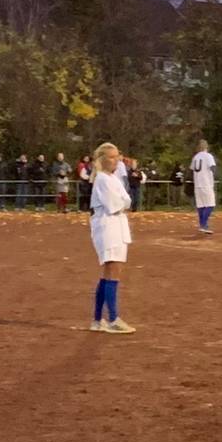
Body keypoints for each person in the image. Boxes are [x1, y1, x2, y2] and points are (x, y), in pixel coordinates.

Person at [87, 142, 137, 334]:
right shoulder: (102, 179)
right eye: (111, 157)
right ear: (101, 160)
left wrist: (124, 203)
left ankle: (98, 319)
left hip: (116, 225)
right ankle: (113, 318)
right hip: (108, 226)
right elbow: (115, 204)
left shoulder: (111, 178)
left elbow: (128, 200)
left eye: (117, 156)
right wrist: (123, 203)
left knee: (109, 272)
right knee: (112, 270)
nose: (116, 160)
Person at [187, 138, 219, 234]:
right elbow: (212, 167)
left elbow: (192, 169)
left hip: (198, 184)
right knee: (210, 204)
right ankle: (203, 224)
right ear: (206, 147)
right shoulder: (208, 156)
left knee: (201, 205)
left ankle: (202, 224)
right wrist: (216, 175)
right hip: (206, 183)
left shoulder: (196, 157)